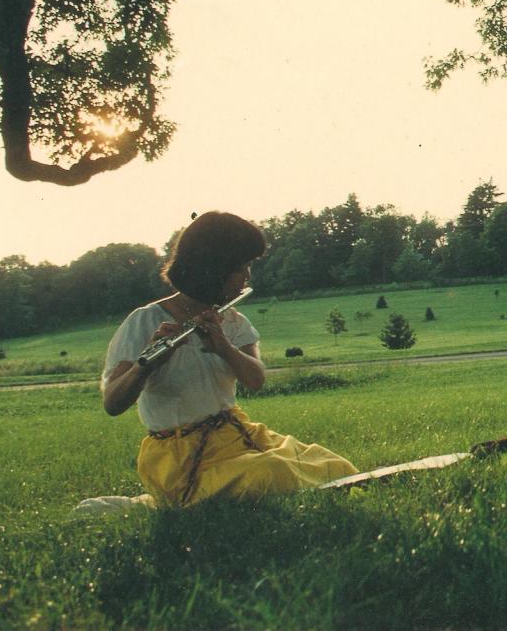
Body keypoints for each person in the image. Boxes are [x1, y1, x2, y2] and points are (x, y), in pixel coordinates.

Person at [101, 211, 357, 506]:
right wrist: (146, 365)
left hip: (234, 436)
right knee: (272, 471)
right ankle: (153, 502)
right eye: (241, 267)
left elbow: (255, 380)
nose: (247, 276)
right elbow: (113, 404)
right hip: (179, 456)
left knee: (333, 466)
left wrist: (223, 347)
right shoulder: (144, 321)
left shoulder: (234, 322)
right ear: (211, 269)